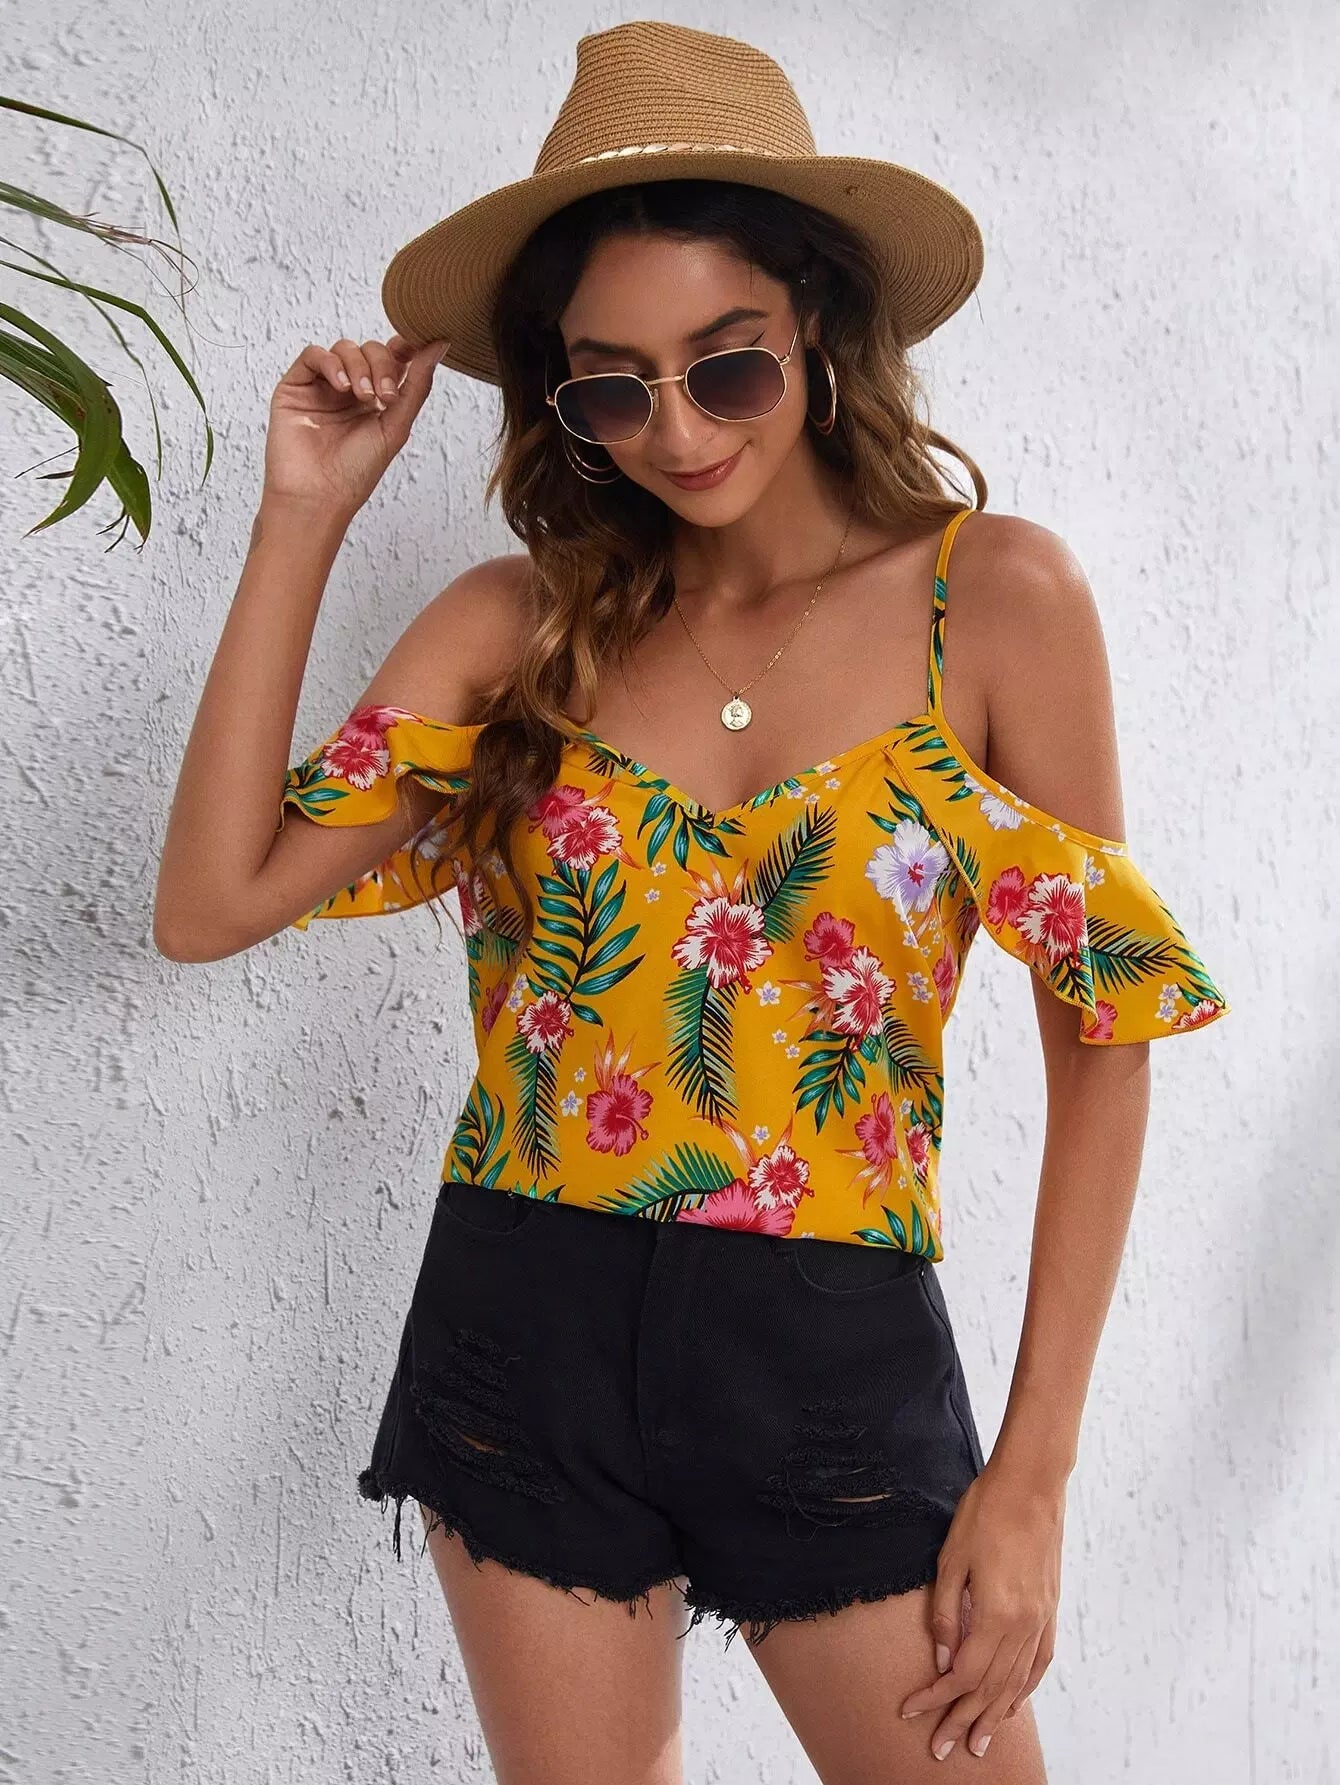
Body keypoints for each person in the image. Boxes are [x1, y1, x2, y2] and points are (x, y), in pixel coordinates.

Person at [154, 21, 1230, 1784]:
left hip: (832, 1352)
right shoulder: (516, 625)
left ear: (816, 324)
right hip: (520, 1324)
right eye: (613, 387)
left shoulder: (995, 601)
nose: (676, 429)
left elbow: (1105, 1031)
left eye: (726, 366)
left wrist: (1033, 1473)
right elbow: (210, 902)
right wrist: (302, 517)